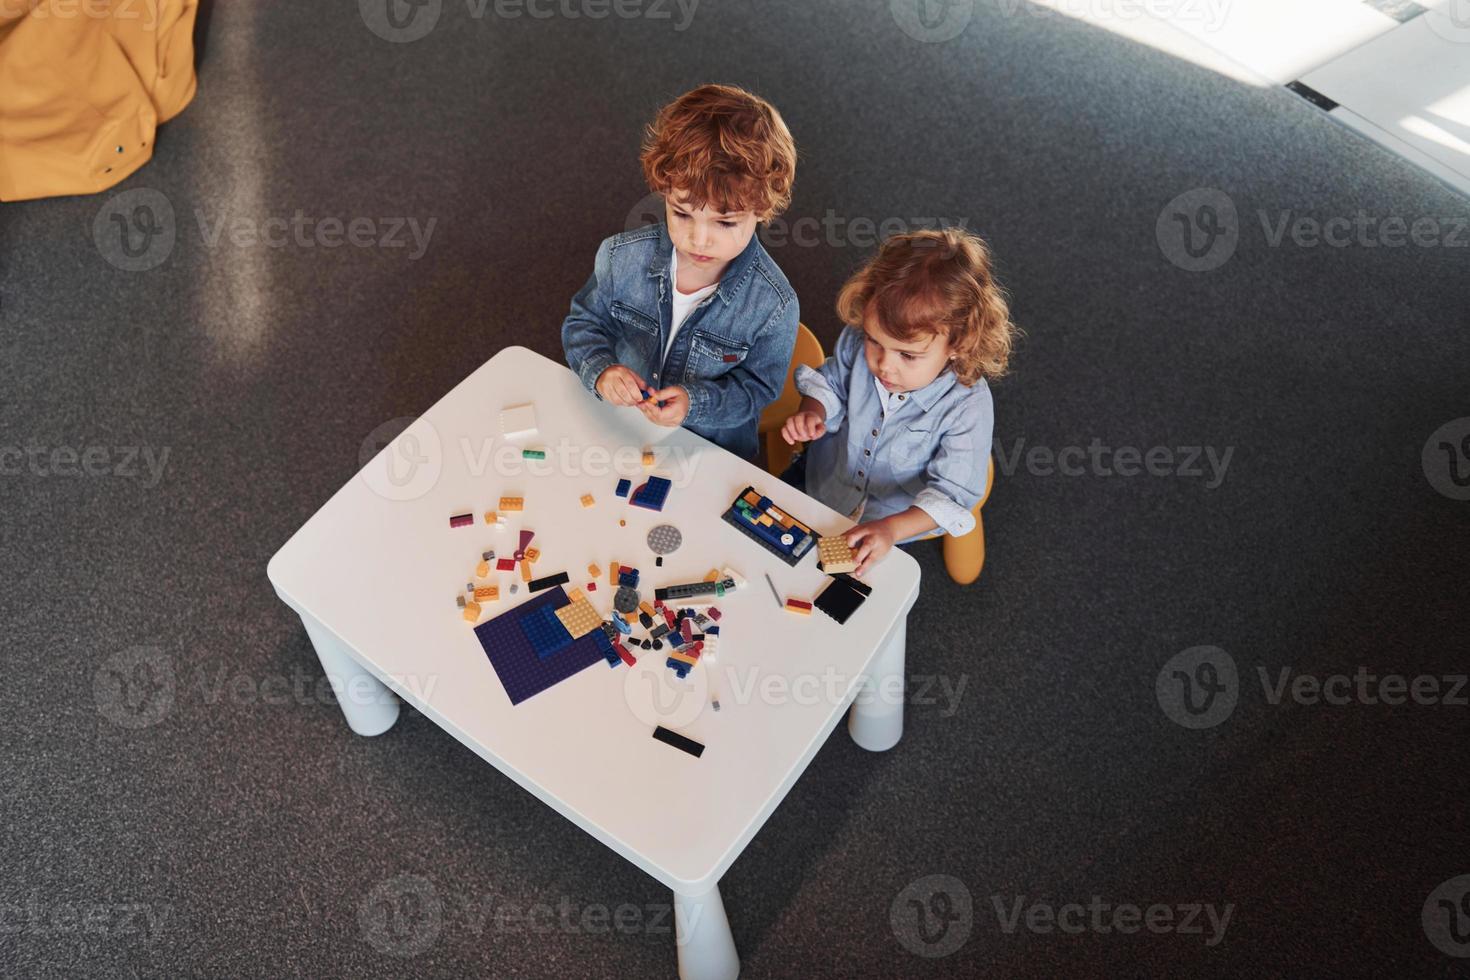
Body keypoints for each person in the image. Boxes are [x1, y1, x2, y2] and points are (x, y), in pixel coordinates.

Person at [562, 83, 799, 461]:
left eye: (724, 223)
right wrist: (602, 371)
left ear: (762, 209)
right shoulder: (620, 258)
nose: (698, 239)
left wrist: (695, 402)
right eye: (682, 213)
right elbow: (584, 323)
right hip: (621, 428)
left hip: (707, 450)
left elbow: (757, 389)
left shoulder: (774, 304)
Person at [780, 228, 1017, 575]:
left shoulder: (968, 407)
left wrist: (892, 529)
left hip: (894, 515)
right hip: (828, 479)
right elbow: (832, 381)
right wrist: (813, 411)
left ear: (959, 344)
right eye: (875, 342)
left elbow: (952, 492)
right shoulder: (859, 338)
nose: (884, 365)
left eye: (908, 355)